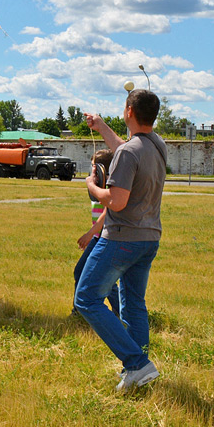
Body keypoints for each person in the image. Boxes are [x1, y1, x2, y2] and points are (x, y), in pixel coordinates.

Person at [76, 90, 167, 393]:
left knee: (87, 298)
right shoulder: (156, 145)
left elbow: (115, 201)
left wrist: (92, 186)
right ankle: (140, 370)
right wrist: (100, 125)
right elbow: (124, 148)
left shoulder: (129, 153)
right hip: (148, 238)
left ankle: (136, 363)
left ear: (129, 111)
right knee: (132, 304)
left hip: (121, 239)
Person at [73, 149, 120, 316]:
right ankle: (121, 311)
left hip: (102, 237)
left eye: (93, 167)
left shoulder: (109, 187)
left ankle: (78, 310)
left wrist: (90, 234)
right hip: (98, 237)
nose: (91, 171)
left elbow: (106, 215)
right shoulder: (99, 186)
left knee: (88, 274)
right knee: (103, 279)